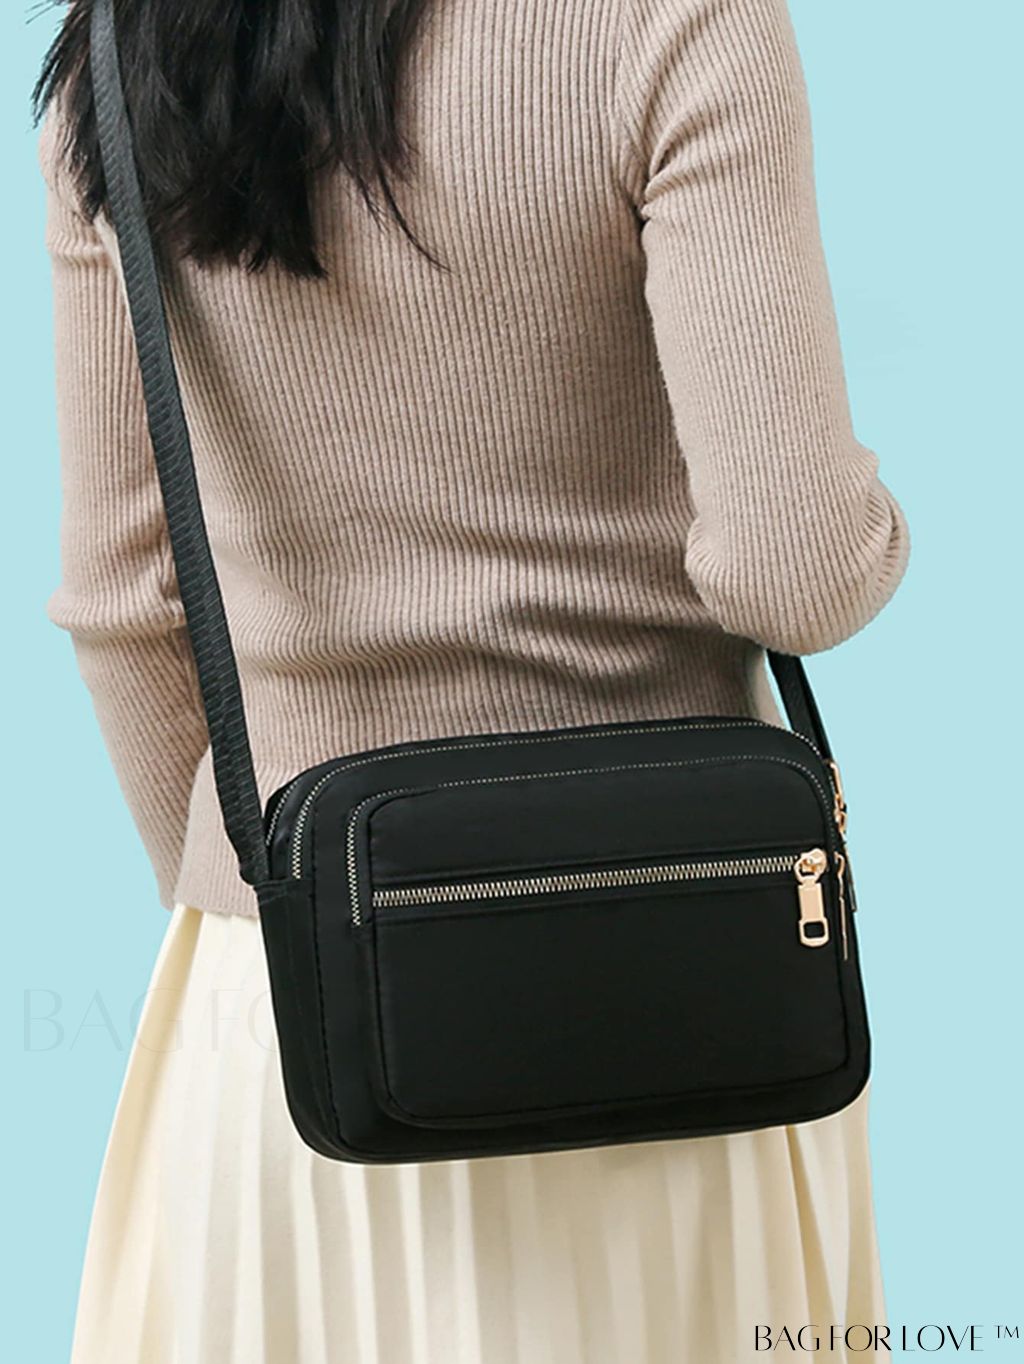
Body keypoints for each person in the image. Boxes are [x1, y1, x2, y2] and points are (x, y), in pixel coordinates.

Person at [36, 0, 910, 1359]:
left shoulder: (123, 47)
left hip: (284, 1028)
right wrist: (869, 522)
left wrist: (273, 894)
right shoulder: (674, 25)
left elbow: (120, 598)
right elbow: (796, 570)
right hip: (672, 987)